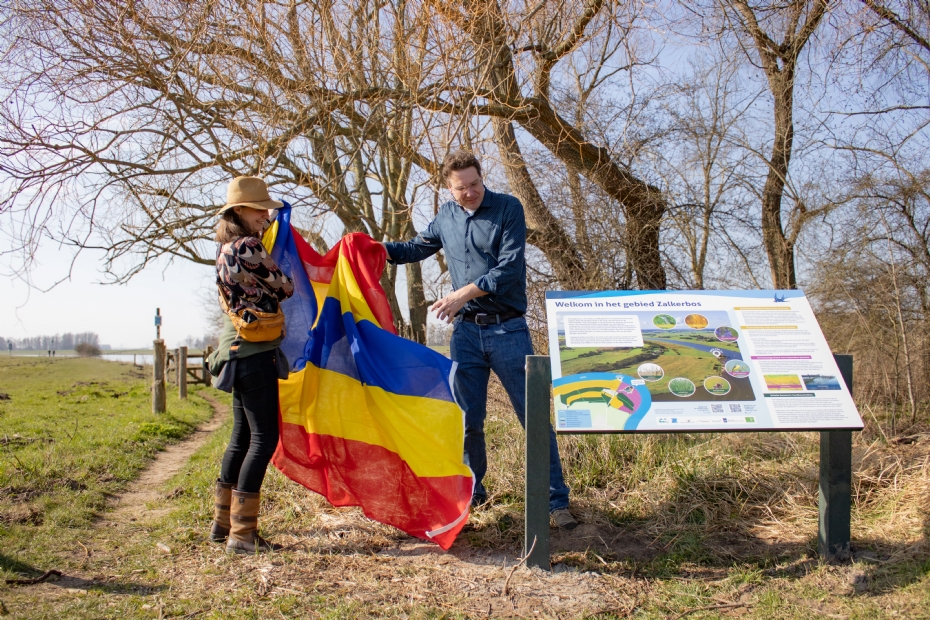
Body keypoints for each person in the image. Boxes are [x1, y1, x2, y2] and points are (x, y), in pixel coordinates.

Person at [383, 151, 577, 529]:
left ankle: (556, 502)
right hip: (466, 335)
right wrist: (374, 249)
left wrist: (460, 295)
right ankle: (474, 495)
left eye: (474, 184)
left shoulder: (508, 208)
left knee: (532, 417)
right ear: (448, 188)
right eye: (461, 188)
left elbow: (507, 269)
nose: (469, 192)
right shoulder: (445, 217)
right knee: (467, 421)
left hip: (509, 330)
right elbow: (414, 248)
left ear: (481, 177)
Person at [208, 176, 294, 554]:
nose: (265, 215)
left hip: (236, 354)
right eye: (260, 209)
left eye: (268, 210)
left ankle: (222, 524)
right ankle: (243, 537)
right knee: (263, 439)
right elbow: (285, 287)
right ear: (239, 211)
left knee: (240, 438)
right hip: (256, 354)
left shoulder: (224, 250)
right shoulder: (248, 246)